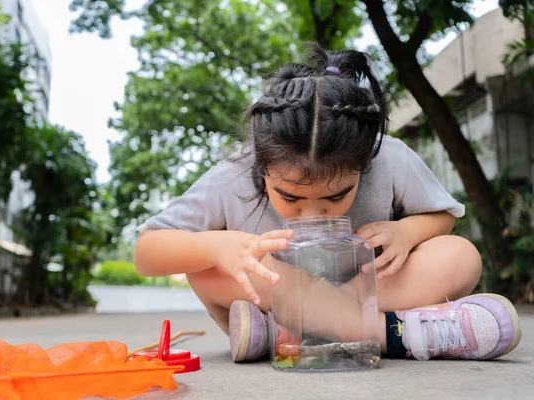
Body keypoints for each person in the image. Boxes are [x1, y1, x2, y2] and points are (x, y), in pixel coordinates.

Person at [134, 43, 521, 363]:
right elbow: (147, 251)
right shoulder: (232, 175)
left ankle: (284, 336)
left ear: (365, 161)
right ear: (262, 165)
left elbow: (442, 216)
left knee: (460, 254)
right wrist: (219, 246)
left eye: (337, 196)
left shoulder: (390, 157)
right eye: (291, 197)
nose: (314, 213)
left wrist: (407, 231)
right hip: (278, 295)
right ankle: (395, 335)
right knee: (205, 266)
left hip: (368, 291)